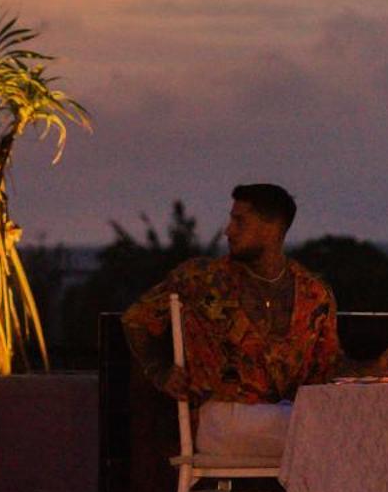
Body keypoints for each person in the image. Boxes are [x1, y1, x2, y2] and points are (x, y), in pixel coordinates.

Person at [122, 183, 341, 458]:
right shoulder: (201, 279)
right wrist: (159, 370)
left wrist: (377, 366)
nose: (228, 230)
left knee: (335, 428)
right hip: (221, 418)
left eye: (239, 221)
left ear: (272, 228)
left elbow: (329, 366)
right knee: (337, 435)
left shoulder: (313, 293)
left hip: (285, 416)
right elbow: (137, 319)